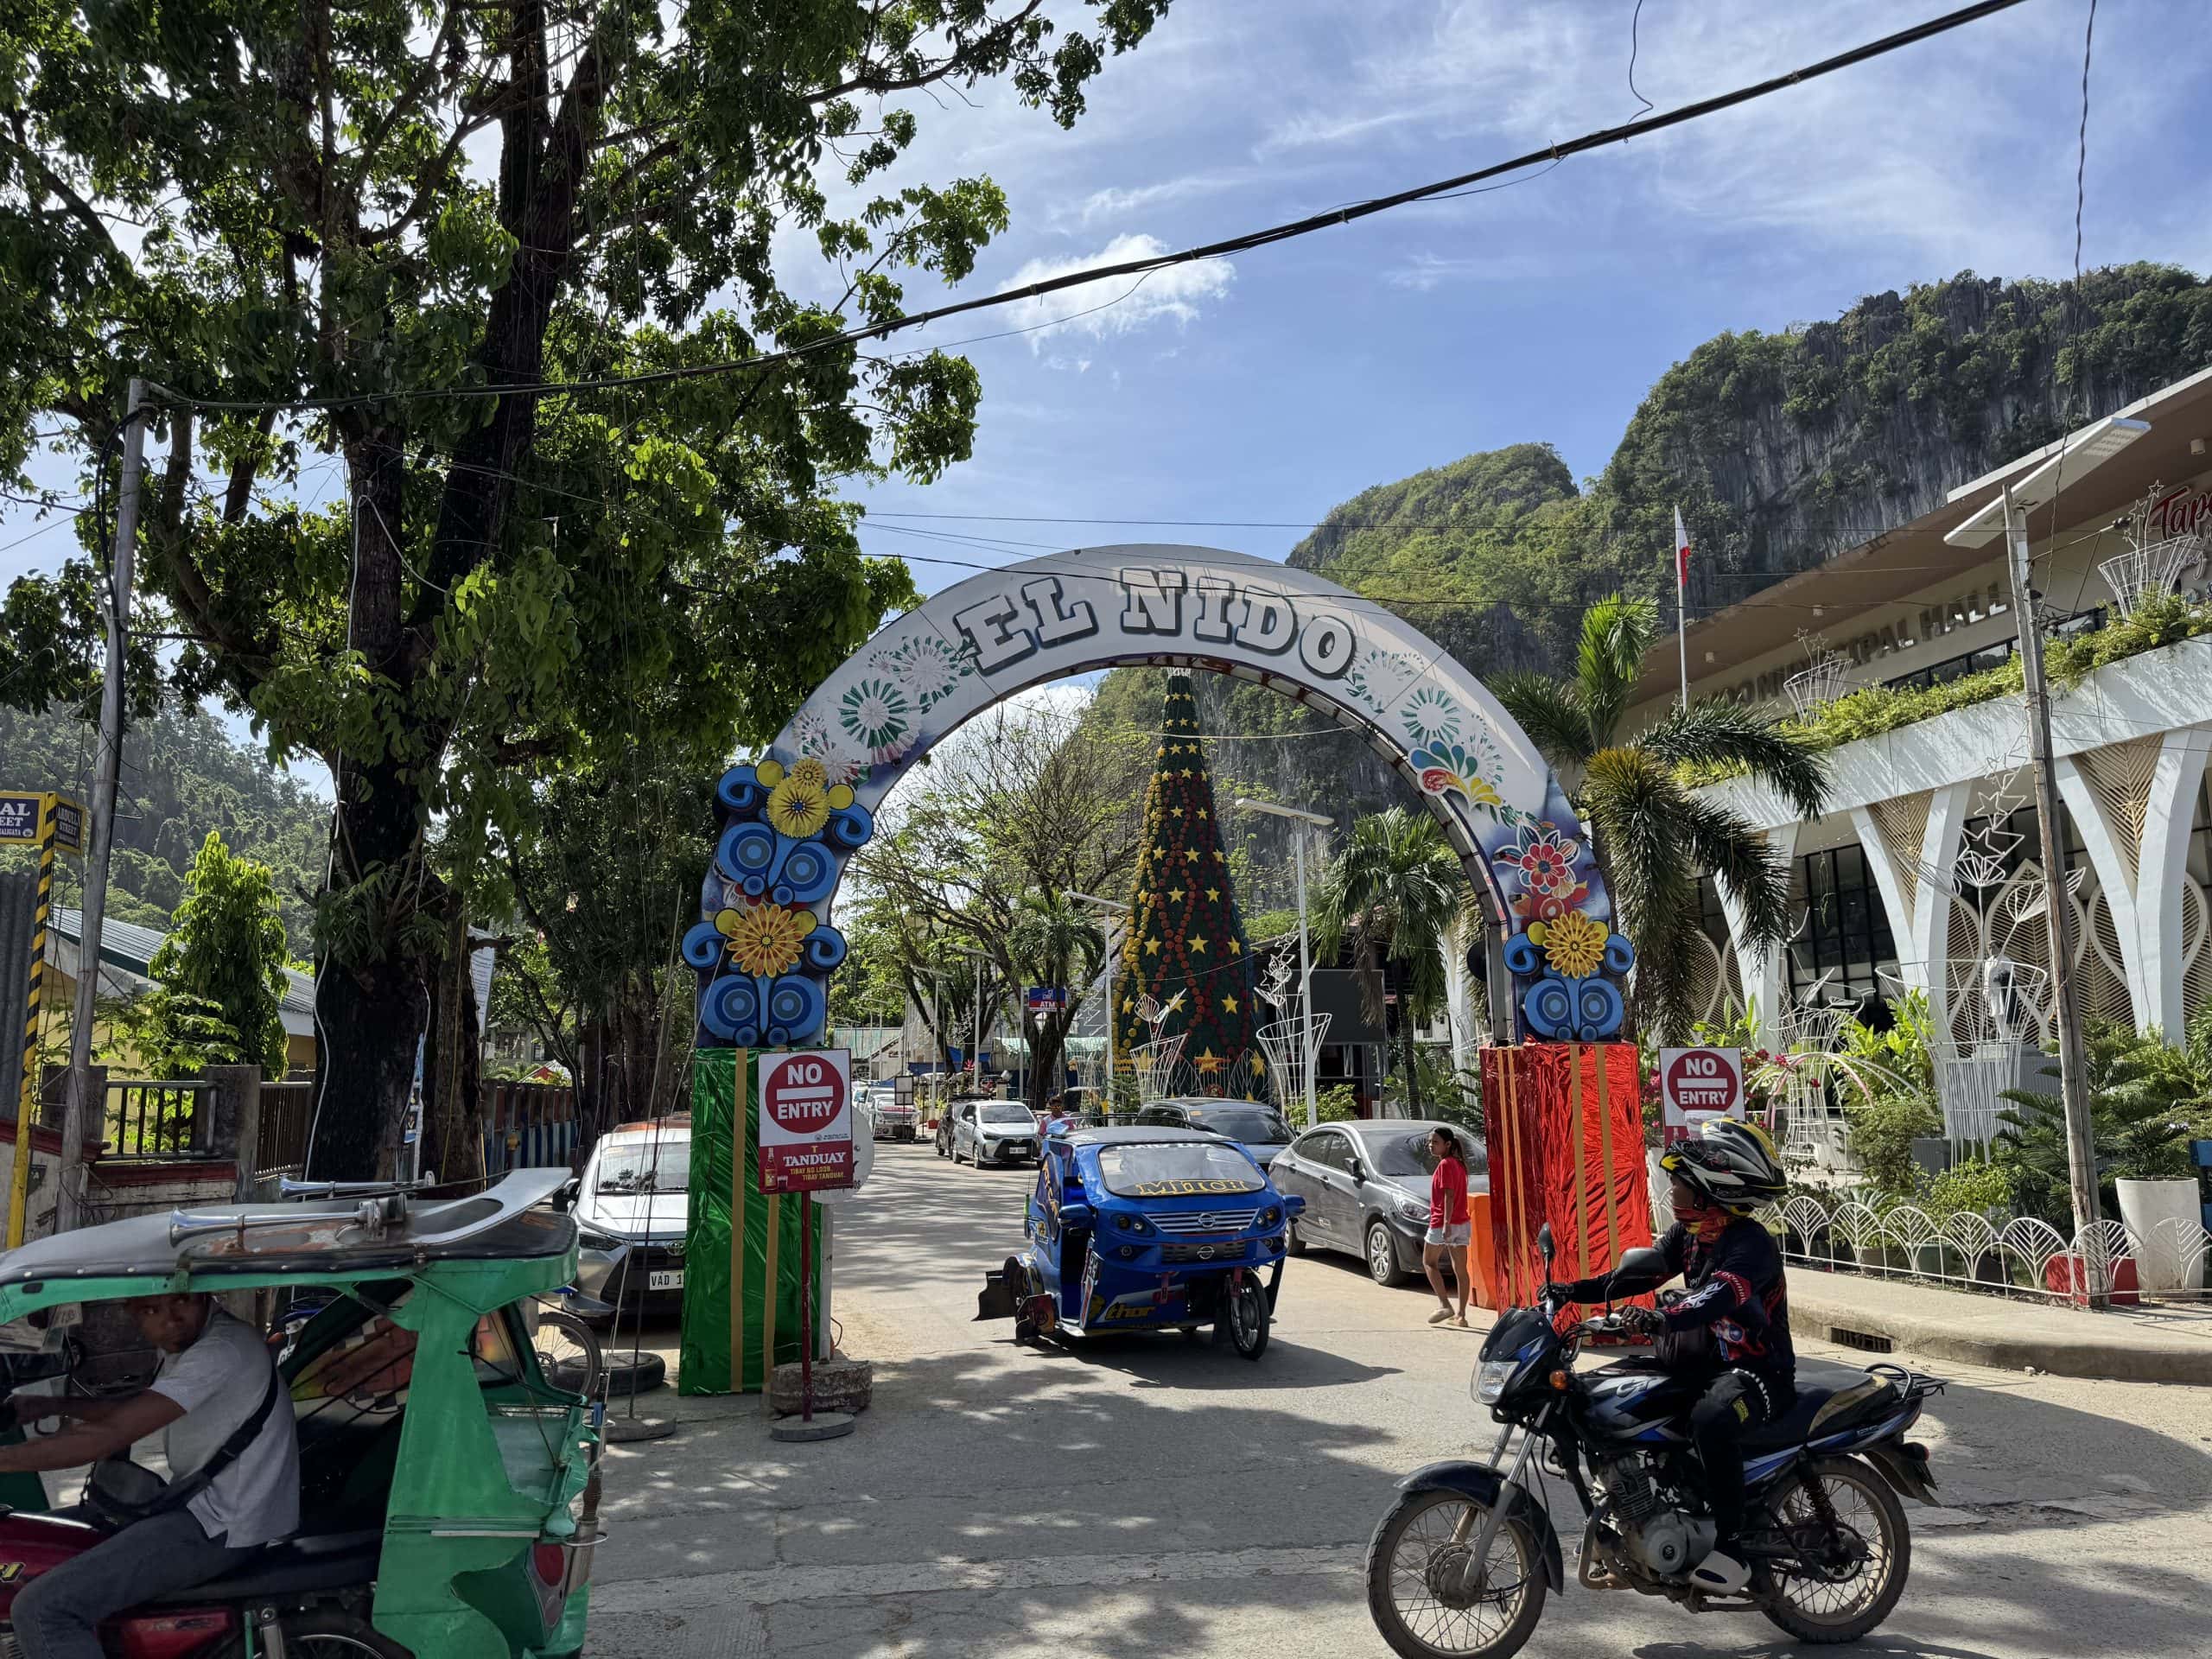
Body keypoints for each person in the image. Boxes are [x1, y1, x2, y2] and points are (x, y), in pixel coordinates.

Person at [1548, 1118, 1793, 1595]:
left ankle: (1735, 1546)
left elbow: (1719, 1296)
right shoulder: (1689, 1236)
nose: (1672, 1188)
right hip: (1699, 1365)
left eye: (1681, 1182)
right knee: (1605, 1396)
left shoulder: (1750, 1245)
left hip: (1758, 1374)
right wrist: (1570, 1292)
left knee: (1710, 1420)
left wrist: (1664, 1318)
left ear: (1709, 1190)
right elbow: (1636, 1276)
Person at [0, 1292, 301, 1659]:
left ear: (205, 1297)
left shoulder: (222, 1350)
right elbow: (135, 1408)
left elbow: (106, 1437)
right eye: (151, 1310)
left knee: (42, 1608)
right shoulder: (191, 1345)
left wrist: (7, 1459)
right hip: (208, 1509)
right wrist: (48, 1405)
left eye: (181, 1302)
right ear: (132, 1315)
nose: (170, 1319)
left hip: (224, 1525)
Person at [1421, 1127, 1471, 1328]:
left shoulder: (1445, 1165)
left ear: (1447, 1144)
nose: (1431, 1145)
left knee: (1429, 1262)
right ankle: (1461, 1315)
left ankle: (1444, 1304)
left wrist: (1446, 1224)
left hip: (1444, 1221)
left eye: (1435, 1142)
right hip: (1462, 1222)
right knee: (1460, 1269)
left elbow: (1448, 1195)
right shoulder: (1459, 1165)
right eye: (1430, 1142)